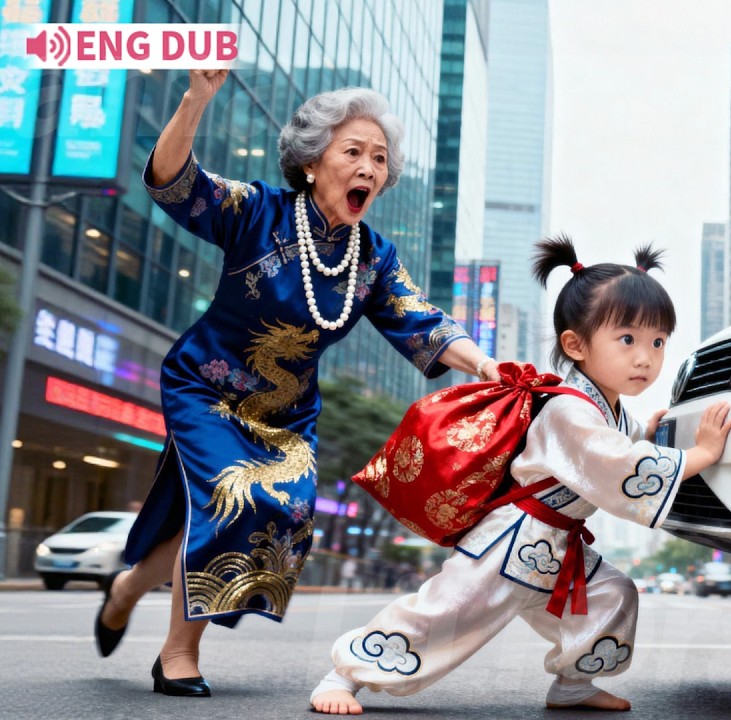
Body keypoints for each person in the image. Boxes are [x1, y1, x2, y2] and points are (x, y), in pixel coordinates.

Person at [93, 70, 507, 697]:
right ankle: (177, 655)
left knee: (268, 510)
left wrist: (485, 365)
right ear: (313, 164)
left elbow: (423, 321)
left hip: (287, 414)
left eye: (379, 158)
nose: (369, 167)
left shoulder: (373, 258)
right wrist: (196, 100)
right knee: (233, 500)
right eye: (353, 152)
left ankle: (126, 587)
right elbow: (178, 185)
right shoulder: (256, 212)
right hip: (209, 388)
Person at [308, 236, 731, 714]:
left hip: (556, 547)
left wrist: (650, 433)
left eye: (658, 342)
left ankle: (575, 684)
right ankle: (344, 674)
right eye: (628, 339)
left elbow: (624, 444)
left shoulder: (603, 408)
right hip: (509, 541)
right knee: (443, 614)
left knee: (612, 594)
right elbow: (622, 466)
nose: (646, 357)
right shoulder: (570, 410)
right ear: (575, 345)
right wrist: (701, 453)